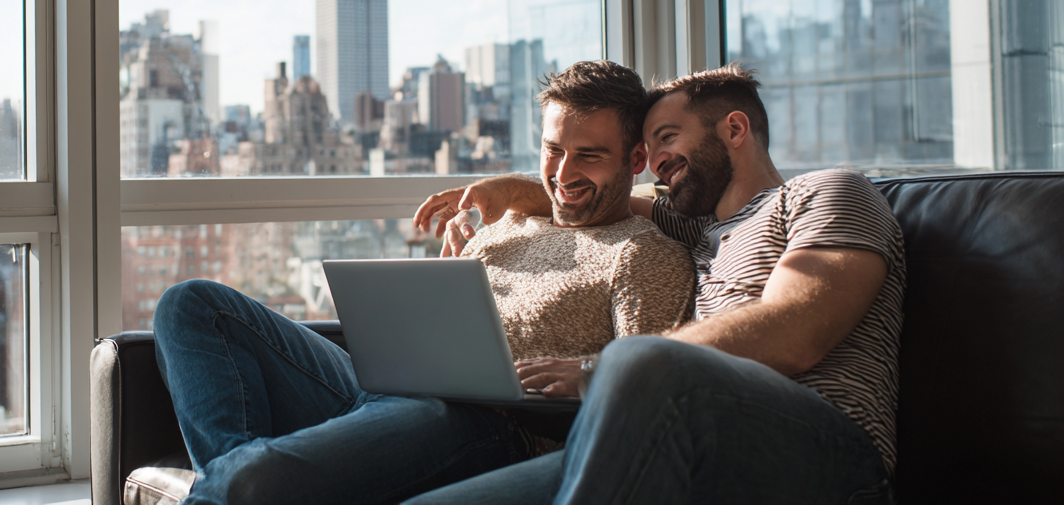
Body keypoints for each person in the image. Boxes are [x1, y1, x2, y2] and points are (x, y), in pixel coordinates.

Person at [152, 61, 695, 505]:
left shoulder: (642, 257)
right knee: (193, 305)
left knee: (255, 482)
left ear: (637, 159)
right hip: (382, 385)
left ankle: (235, 488)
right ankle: (234, 483)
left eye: (590, 156)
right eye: (554, 150)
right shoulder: (509, 220)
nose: (563, 173)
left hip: (478, 424)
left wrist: (585, 371)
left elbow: (646, 397)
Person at [409, 64, 904, 504]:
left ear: (734, 128)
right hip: (696, 438)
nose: (656, 157)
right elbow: (593, 193)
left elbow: (796, 331)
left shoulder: (826, 192)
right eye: (647, 146)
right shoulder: (694, 224)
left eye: (668, 136)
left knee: (642, 356)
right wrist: (503, 190)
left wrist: (601, 368)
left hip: (828, 451)